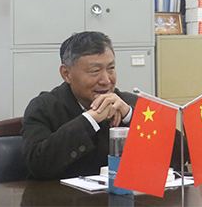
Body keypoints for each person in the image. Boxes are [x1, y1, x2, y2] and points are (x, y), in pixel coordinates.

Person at [21, 31, 138, 180]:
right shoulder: (43, 108)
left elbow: (167, 158)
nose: (106, 80)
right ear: (66, 74)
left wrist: (130, 116)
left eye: (111, 68)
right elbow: (38, 165)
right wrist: (89, 120)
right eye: (95, 71)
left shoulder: (129, 103)